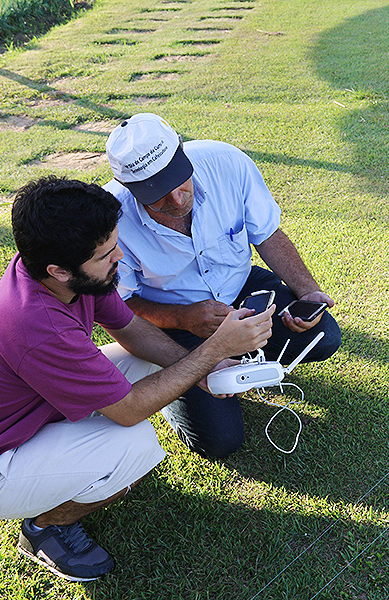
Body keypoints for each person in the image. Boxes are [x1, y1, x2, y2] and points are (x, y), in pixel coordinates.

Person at [0, 176, 274, 582]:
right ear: (59, 271)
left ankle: (78, 474)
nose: (119, 256)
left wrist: (201, 371)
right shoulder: (37, 324)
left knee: (159, 366)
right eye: (106, 254)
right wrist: (213, 350)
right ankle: (44, 527)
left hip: (36, 415)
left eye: (116, 243)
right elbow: (129, 412)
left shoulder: (61, 269)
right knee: (134, 446)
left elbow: (129, 326)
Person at [103, 113, 341, 458]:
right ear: (128, 188)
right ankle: (170, 374)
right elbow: (119, 307)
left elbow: (267, 235)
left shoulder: (225, 162)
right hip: (169, 321)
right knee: (219, 442)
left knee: (323, 337)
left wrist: (307, 291)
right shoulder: (111, 218)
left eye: (178, 180)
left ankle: (234, 358)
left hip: (239, 290)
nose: (176, 199)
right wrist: (183, 318)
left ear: (182, 152)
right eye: (156, 195)